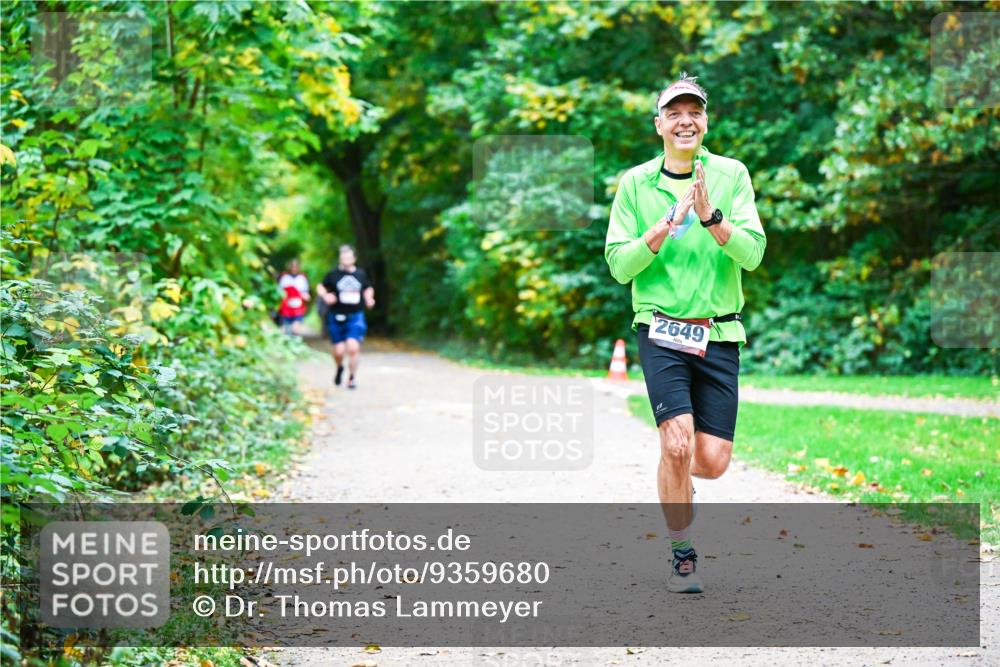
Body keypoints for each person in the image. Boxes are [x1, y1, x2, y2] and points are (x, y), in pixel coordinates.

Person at [604, 74, 766, 593]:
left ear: (706, 122)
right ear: (659, 125)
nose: (685, 121)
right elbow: (618, 266)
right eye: (674, 113)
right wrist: (661, 227)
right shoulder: (636, 184)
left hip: (719, 331)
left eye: (694, 112)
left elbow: (753, 254)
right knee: (676, 444)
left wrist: (710, 217)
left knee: (711, 464)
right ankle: (683, 555)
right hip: (661, 329)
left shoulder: (731, 175)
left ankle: (673, 475)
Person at [317, 245, 375, 389]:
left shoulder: (360, 274)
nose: (345, 260)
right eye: (343, 257)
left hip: (355, 315)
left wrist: (369, 298)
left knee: (353, 346)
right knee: (339, 351)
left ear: (354, 258)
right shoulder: (333, 274)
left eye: (348, 257)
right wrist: (326, 295)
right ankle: (339, 367)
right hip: (336, 315)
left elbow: (368, 287)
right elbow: (321, 286)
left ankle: (352, 377)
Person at [277, 259, 310, 336]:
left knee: (296, 329)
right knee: (285, 330)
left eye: (296, 266)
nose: (294, 268)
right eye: (292, 266)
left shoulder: (302, 277)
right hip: (286, 307)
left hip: (298, 308)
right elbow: (279, 291)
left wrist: (306, 296)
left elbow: (305, 292)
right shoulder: (284, 277)